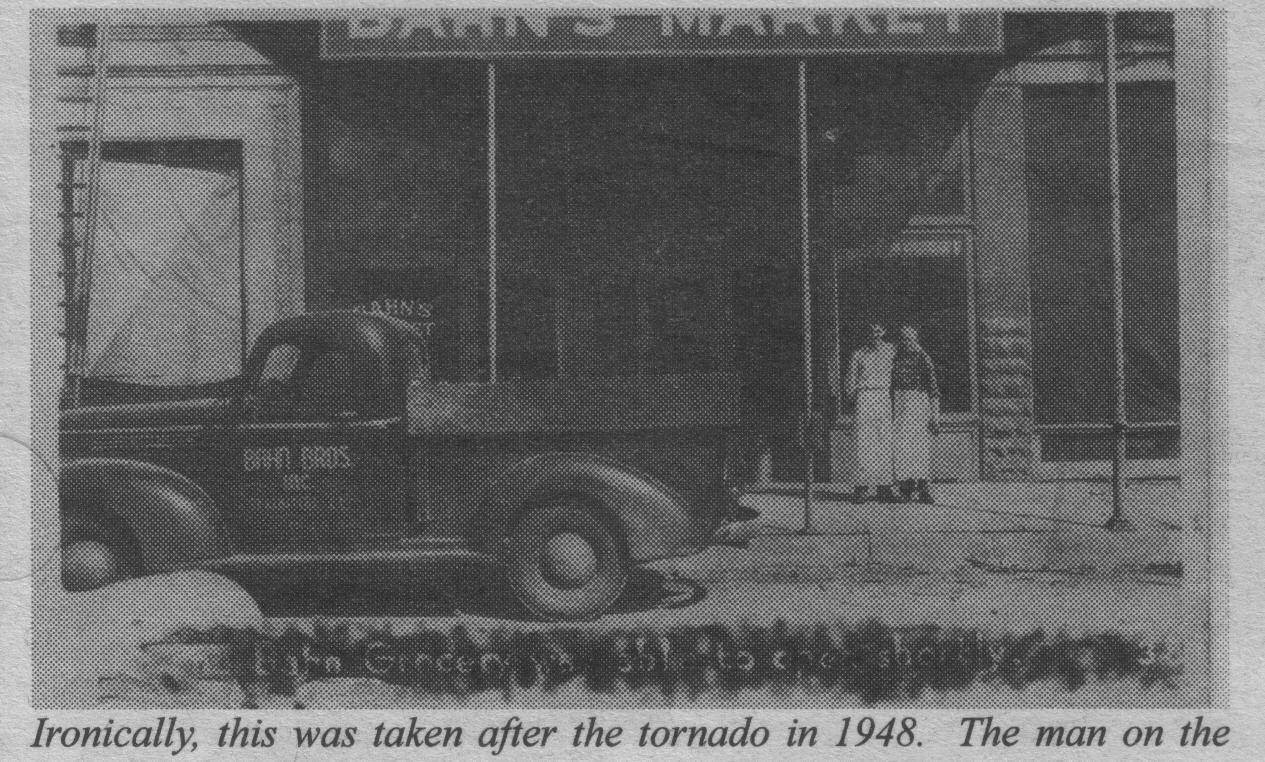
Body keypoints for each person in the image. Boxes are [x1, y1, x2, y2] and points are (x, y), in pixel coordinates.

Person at [845, 322, 896, 502]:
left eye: (878, 331)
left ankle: (884, 487)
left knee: (885, 441)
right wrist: (853, 401)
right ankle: (862, 487)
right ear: (867, 333)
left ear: (884, 331)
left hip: (883, 396)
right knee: (864, 442)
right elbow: (850, 380)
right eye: (871, 331)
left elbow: (898, 375)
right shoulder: (858, 354)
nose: (875, 335)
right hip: (865, 397)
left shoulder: (892, 350)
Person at [891, 325, 941, 503]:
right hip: (900, 405)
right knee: (902, 448)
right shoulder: (895, 358)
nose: (906, 342)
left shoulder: (923, 358)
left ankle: (924, 488)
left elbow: (934, 389)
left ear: (915, 339)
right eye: (903, 339)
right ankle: (906, 489)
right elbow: (889, 387)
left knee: (920, 449)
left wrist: (935, 415)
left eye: (909, 339)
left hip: (919, 404)